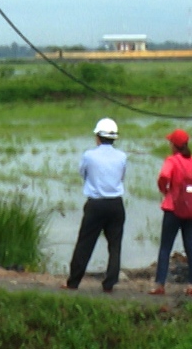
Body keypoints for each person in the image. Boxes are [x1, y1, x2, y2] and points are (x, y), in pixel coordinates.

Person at [63, 117, 128, 293]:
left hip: (96, 204)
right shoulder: (122, 156)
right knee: (115, 245)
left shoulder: (89, 155)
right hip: (116, 204)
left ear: (98, 137)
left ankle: (73, 282)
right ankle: (109, 283)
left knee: (85, 243)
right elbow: (121, 177)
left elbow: (83, 173)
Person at [149, 128, 192, 297]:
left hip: (173, 208)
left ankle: (160, 284)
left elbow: (163, 176)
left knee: (165, 247)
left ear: (174, 145)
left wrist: (166, 190)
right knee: (190, 246)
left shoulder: (171, 161)